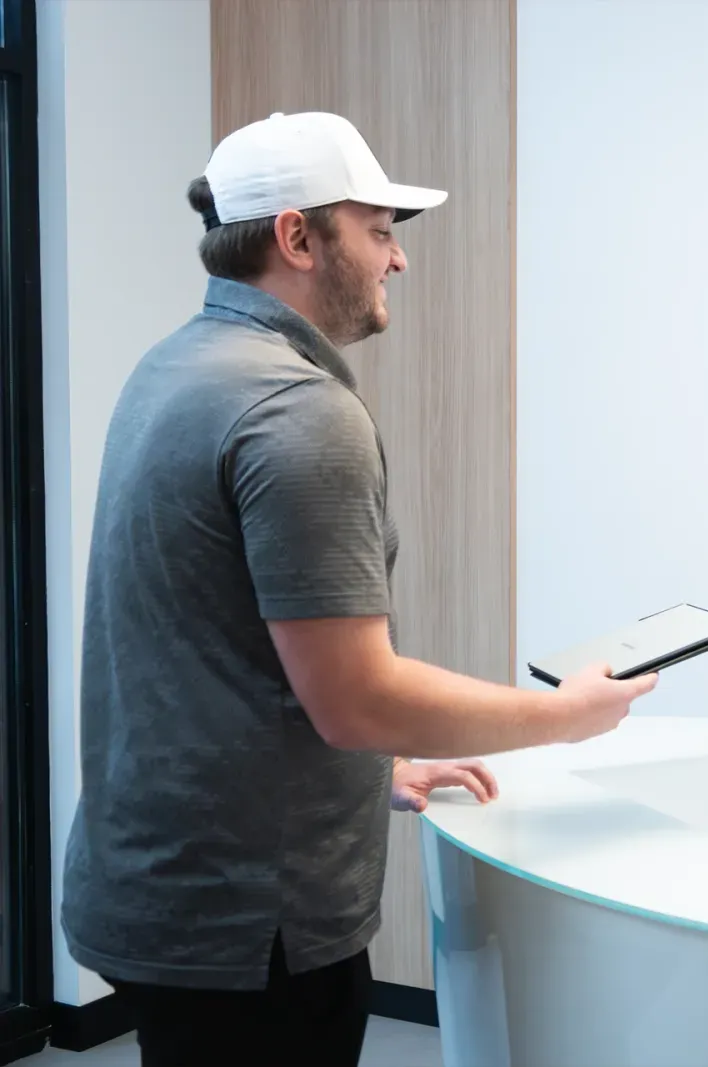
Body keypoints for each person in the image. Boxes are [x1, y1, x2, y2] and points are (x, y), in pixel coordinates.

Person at [60, 111, 656, 1067]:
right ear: (298, 237)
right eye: (379, 231)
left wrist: (375, 772)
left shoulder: (170, 368)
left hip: (154, 890)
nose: (398, 261)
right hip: (252, 929)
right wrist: (566, 715)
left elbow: (210, 653)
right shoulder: (296, 409)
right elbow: (357, 697)